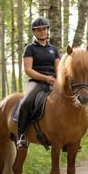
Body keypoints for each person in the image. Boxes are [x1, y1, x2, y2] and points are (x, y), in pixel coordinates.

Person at [17, 16, 60, 150]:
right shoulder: (30, 48)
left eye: (44, 29)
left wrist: (57, 80)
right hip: (36, 82)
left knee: (69, 101)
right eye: (39, 30)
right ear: (34, 32)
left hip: (53, 82)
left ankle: (69, 137)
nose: (42, 32)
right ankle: (21, 136)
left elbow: (58, 69)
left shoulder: (54, 49)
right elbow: (28, 70)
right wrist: (45, 78)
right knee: (26, 102)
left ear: (48, 30)